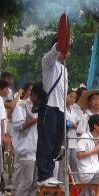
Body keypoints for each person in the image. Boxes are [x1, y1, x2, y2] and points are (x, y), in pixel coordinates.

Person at [35, 44, 67, 187]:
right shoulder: (48, 63)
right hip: (49, 107)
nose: (67, 53)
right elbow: (53, 53)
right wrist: (59, 43)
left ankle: (49, 173)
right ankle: (44, 175)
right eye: (65, 49)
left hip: (60, 109)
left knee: (56, 144)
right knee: (46, 143)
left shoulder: (64, 69)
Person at [9, 84, 40, 196]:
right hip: (25, 149)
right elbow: (18, 125)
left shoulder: (39, 108)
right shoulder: (22, 106)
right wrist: (35, 120)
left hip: (36, 149)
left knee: (34, 183)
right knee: (26, 181)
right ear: (33, 95)